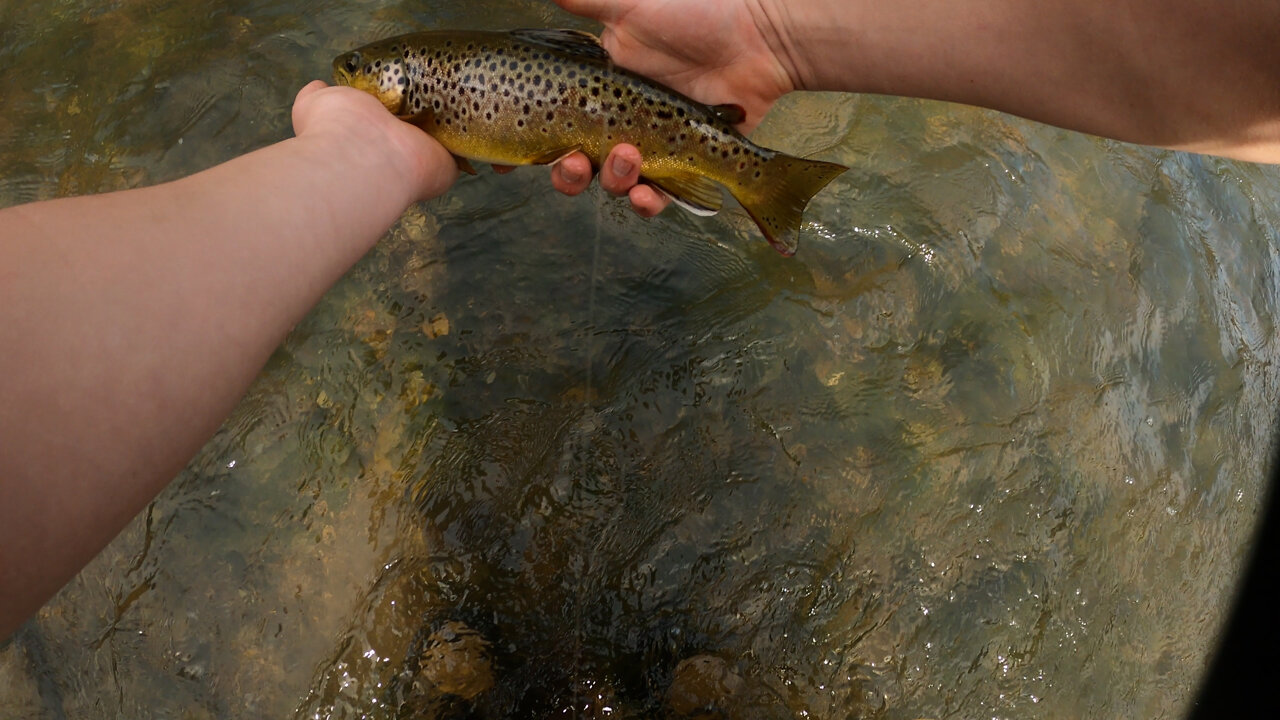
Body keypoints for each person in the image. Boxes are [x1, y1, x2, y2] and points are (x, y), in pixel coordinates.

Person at [2, 0, 1279, 641]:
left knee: (666, 151)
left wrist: (358, 151)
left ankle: (741, 178)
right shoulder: (434, 85)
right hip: (655, 95)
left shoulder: (397, 89)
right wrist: (762, 29)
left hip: (607, 114)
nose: (351, 82)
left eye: (361, 82)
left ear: (388, 87)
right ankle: (737, 170)